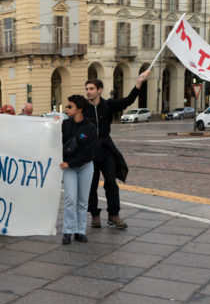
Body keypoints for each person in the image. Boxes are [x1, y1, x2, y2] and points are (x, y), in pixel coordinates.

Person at [84, 70, 150, 229]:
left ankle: (114, 215)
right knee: (91, 185)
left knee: (111, 184)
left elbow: (128, 101)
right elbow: (70, 116)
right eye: (86, 89)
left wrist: (139, 83)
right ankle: (94, 215)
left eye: (91, 89)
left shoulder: (108, 105)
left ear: (99, 90)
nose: (88, 92)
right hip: (90, 152)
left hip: (106, 149)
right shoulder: (83, 107)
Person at [60, 95, 99, 244]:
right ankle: (68, 231)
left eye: (70, 107)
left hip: (85, 166)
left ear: (79, 109)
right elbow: (54, 141)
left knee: (83, 201)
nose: (66, 109)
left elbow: (89, 151)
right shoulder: (64, 124)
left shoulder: (90, 127)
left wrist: (71, 162)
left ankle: (80, 231)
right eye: (67, 106)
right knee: (70, 198)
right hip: (68, 167)